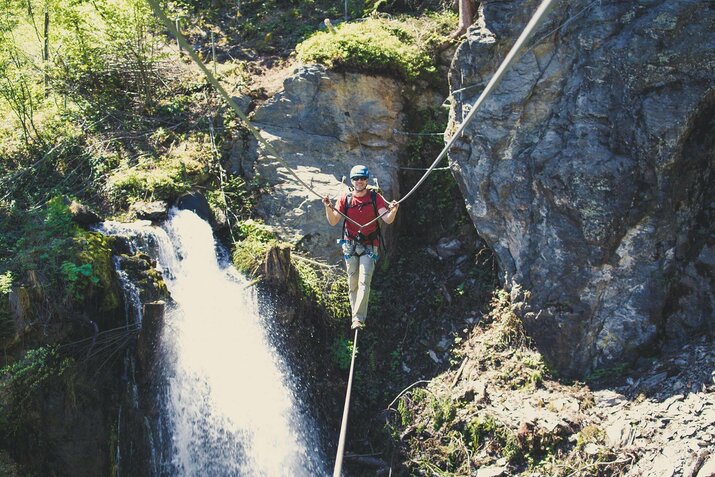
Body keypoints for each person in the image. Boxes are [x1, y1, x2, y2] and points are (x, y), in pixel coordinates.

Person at [323, 165, 399, 330]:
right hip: (349, 245)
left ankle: (358, 318)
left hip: (370, 245)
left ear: (367, 180)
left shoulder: (375, 197)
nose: (359, 181)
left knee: (364, 281)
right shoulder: (345, 198)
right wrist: (328, 207)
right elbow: (334, 220)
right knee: (353, 282)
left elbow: (387, 219)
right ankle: (355, 316)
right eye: (356, 179)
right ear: (352, 181)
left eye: (362, 178)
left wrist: (393, 211)